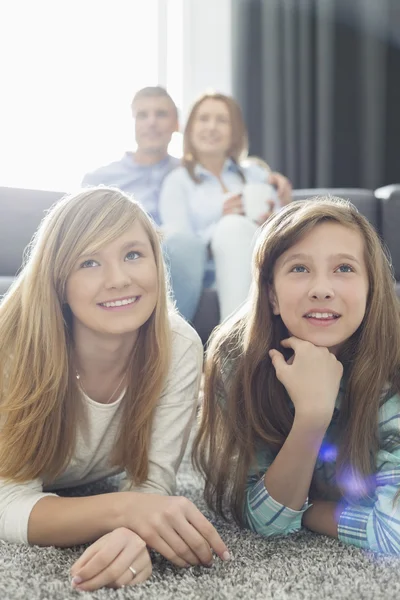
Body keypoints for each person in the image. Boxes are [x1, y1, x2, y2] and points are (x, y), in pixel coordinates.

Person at [0, 187, 230, 592]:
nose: (119, 279)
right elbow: (7, 503)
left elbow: (152, 484)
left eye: (133, 255)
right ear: (59, 279)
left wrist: (133, 532)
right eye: (89, 261)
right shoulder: (14, 345)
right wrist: (125, 510)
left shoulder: (179, 346)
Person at [193, 197, 400, 555]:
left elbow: (393, 533)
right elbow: (257, 517)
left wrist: (305, 511)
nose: (322, 289)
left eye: (344, 269)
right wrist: (312, 417)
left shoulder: (392, 370)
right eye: (299, 269)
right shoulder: (236, 361)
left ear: (371, 289)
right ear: (271, 296)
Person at [159, 91, 293, 321]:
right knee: (231, 226)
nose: (212, 127)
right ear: (190, 129)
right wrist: (220, 223)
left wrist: (273, 220)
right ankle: (235, 344)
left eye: (222, 120)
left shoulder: (257, 175)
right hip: (209, 272)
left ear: (235, 131)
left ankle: (232, 344)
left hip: (262, 257)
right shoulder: (178, 181)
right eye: (203, 119)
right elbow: (180, 247)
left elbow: (288, 229)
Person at [82, 86, 206, 322]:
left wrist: (268, 176)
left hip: (177, 255)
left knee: (185, 243)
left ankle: (172, 338)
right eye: (143, 115)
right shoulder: (99, 179)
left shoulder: (193, 174)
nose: (151, 122)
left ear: (176, 124)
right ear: (133, 123)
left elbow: (234, 176)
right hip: (118, 251)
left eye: (160, 114)